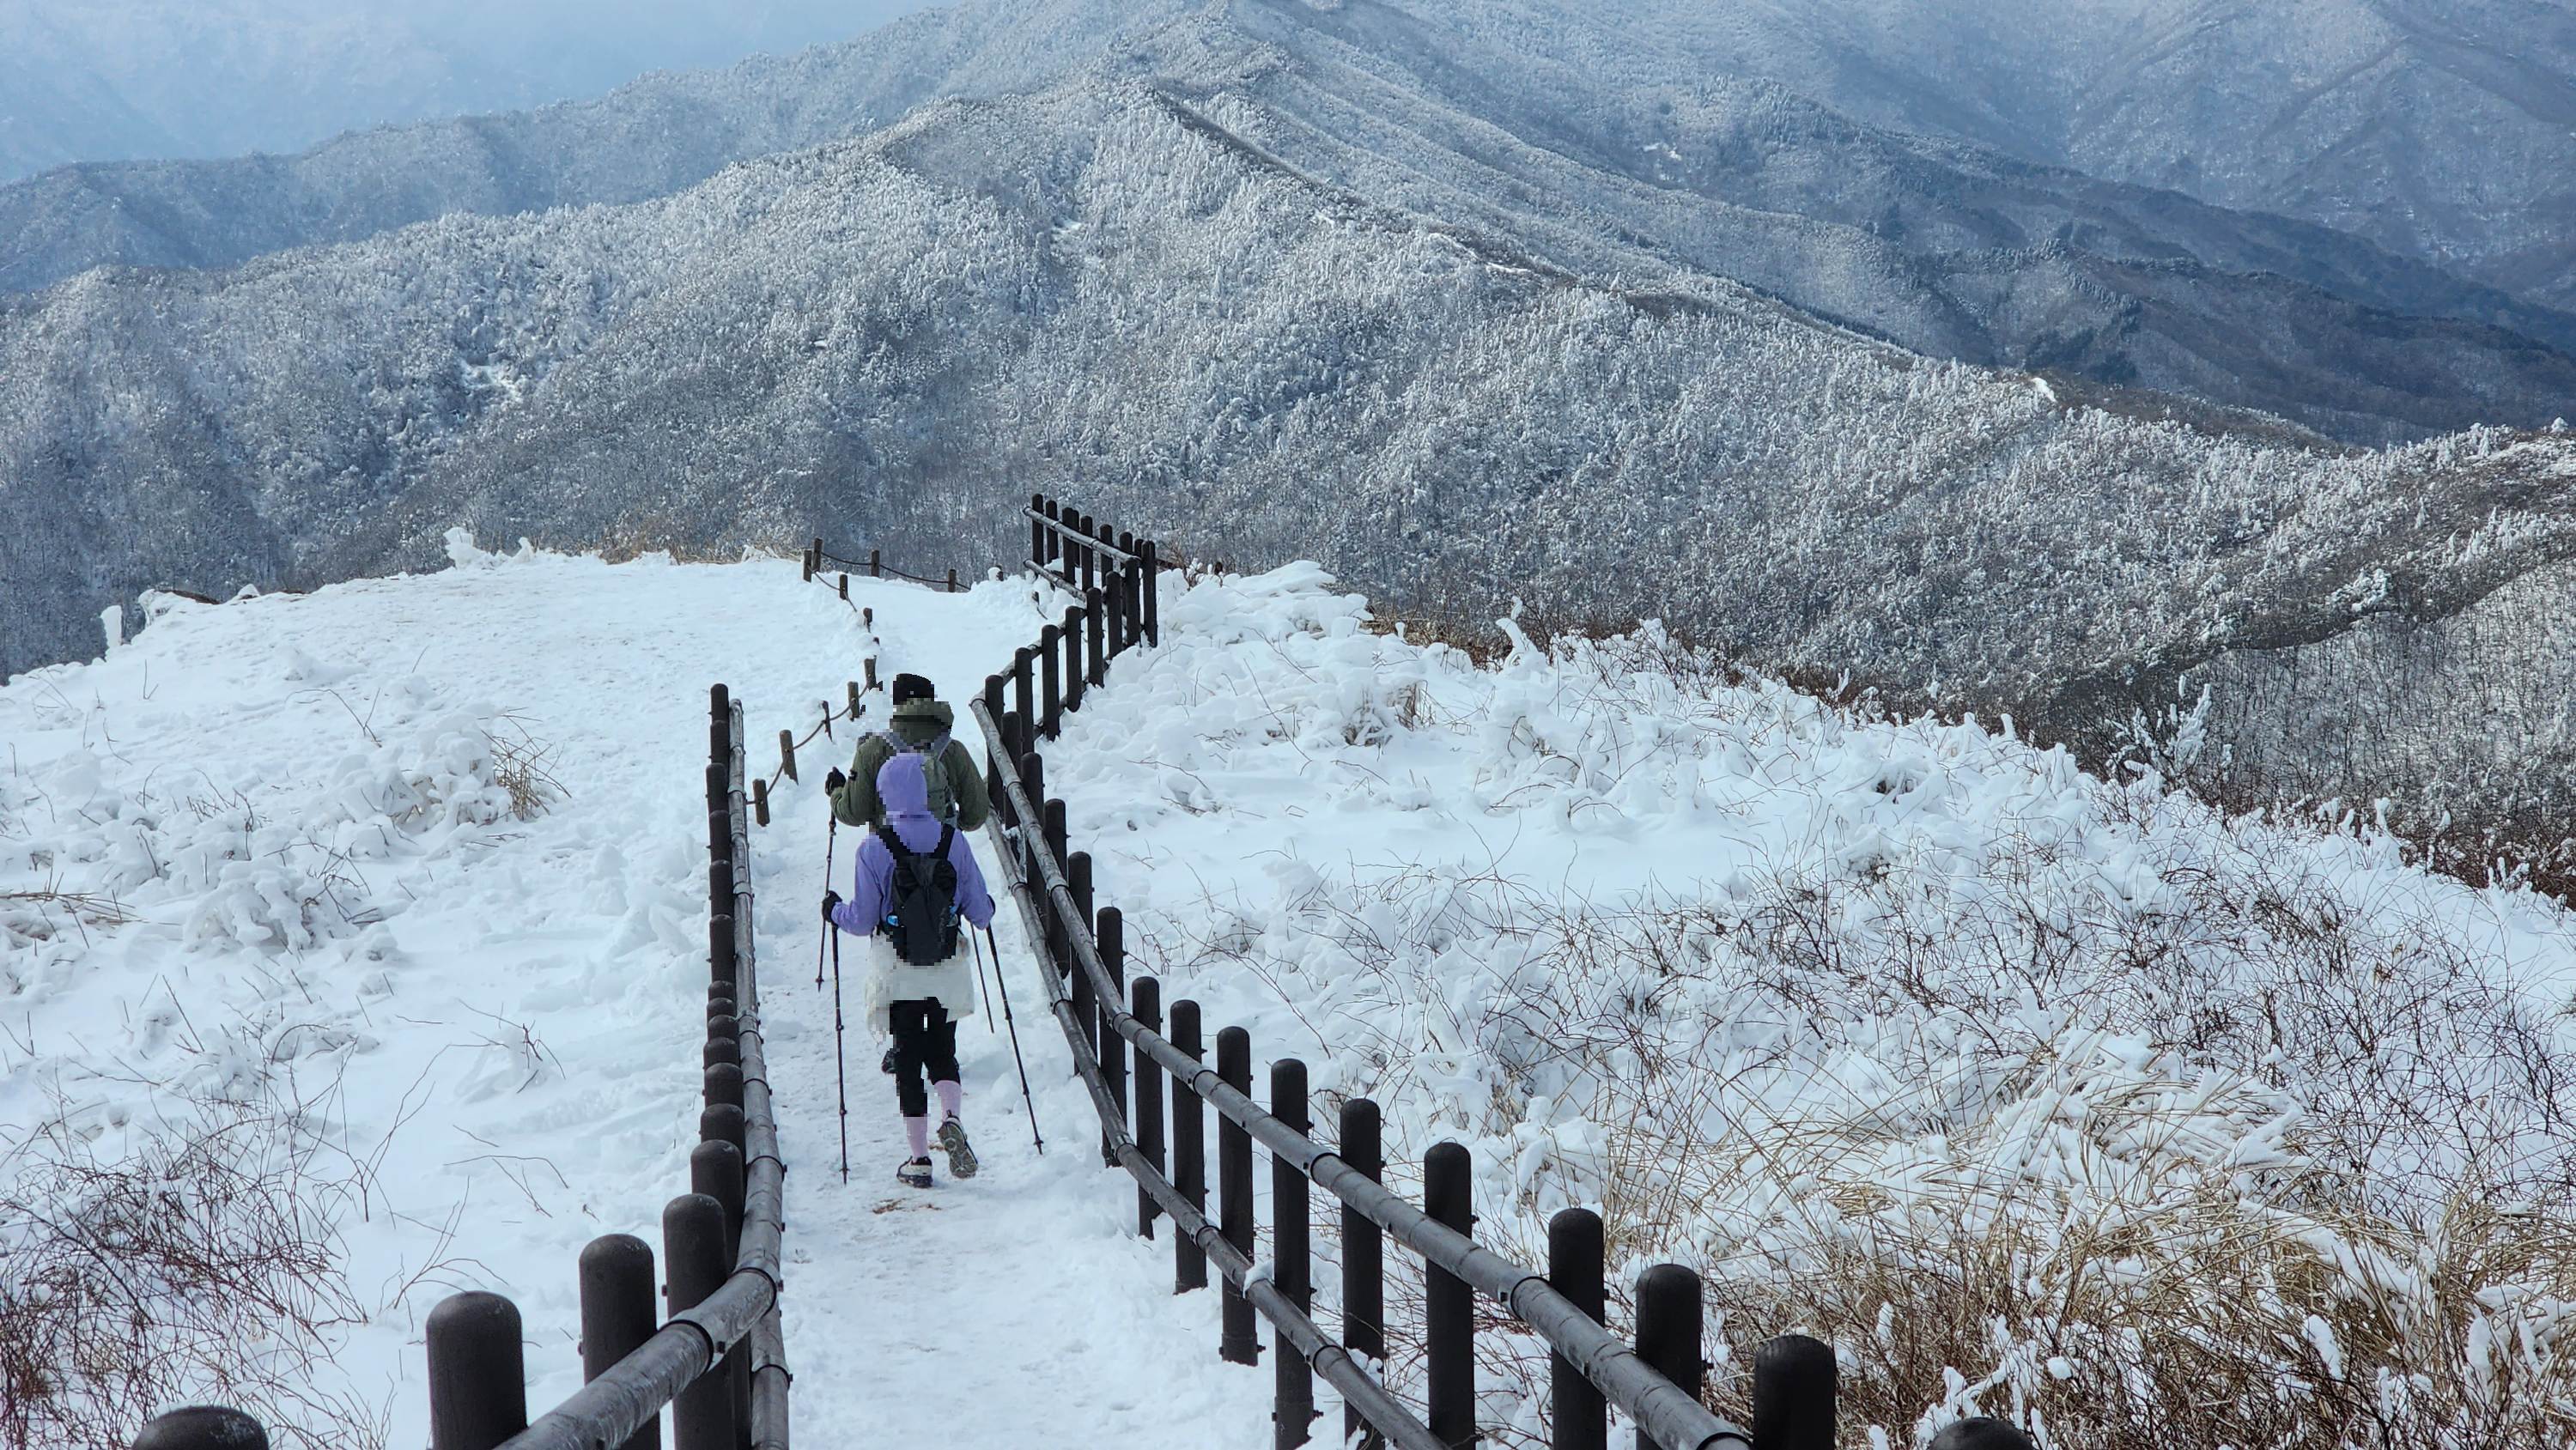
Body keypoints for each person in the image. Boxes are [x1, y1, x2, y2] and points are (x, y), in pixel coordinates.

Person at [823, 753, 997, 1187]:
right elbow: (980, 912)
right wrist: (984, 905)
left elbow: (862, 920)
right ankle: (952, 1117)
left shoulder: (873, 848)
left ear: (884, 795)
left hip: (897, 968)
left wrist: (834, 912)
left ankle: (919, 1159)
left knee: (907, 1057)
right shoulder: (953, 841)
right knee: (942, 1049)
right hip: (945, 965)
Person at [823, 672, 989, 832]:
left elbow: (854, 814)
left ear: (897, 705)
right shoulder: (952, 750)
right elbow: (976, 815)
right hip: (944, 855)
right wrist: (949, 826)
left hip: (887, 856)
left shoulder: (872, 751)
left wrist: (837, 791)